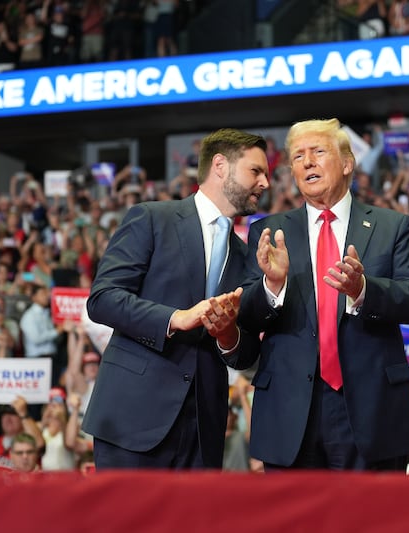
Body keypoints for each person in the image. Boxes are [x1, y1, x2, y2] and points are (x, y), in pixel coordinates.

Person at [239, 118, 409, 471]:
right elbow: (248, 317)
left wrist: (364, 290)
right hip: (291, 410)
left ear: (347, 163)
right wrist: (272, 285)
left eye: (318, 152)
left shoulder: (391, 226)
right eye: (297, 157)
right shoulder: (268, 232)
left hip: (372, 408)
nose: (307, 162)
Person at [82, 128, 269, 469]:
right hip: (133, 417)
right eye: (256, 171)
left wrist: (227, 335)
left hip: (203, 429)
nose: (265, 183)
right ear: (220, 166)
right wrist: (174, 318)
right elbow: (103, 298)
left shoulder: (248, 256)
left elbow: (245, 355)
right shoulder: (151, 218)